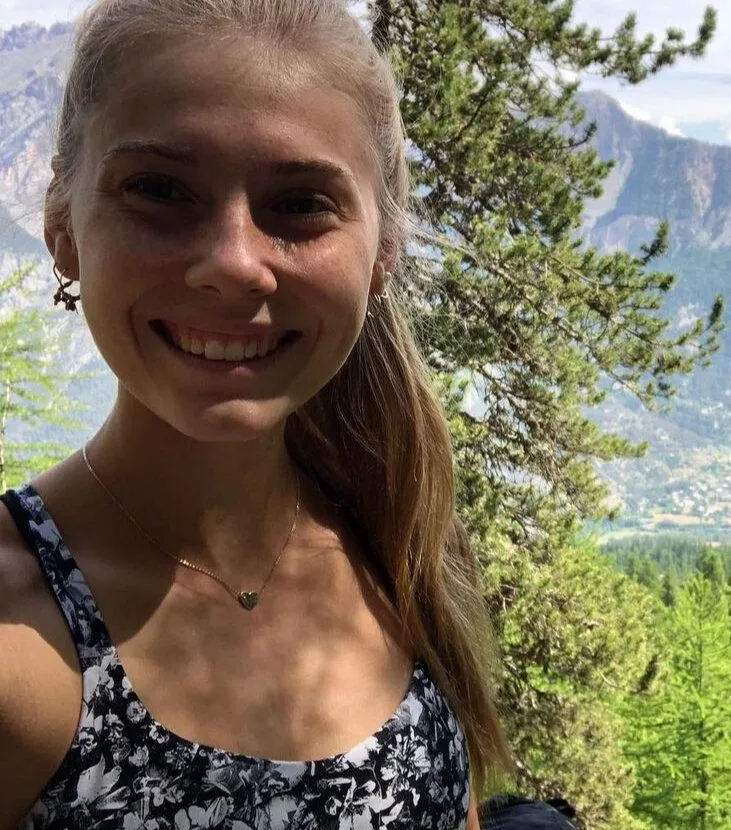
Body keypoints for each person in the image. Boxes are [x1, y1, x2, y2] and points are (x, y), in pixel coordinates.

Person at [0, 0, 518, 826]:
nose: (234, 263)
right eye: (158, 189)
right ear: (63, 226)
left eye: (301, 203)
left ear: (382, 252)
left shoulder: (396, 536)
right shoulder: (16, 635)